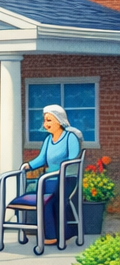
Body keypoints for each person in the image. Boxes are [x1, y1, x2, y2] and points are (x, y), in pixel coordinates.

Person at [8, 104, 83, 245]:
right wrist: (28, 165)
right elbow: (41, 159)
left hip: (67, 178)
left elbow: (74, 158)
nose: (45, 124)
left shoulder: (70, 137)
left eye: (49, 120)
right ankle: (57, 233)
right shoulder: (48, 140)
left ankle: (53, 235)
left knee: (50, 198)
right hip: (49, 179)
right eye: (45, 120)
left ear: (59, 120)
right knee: (44, 197)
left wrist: (61, 169)